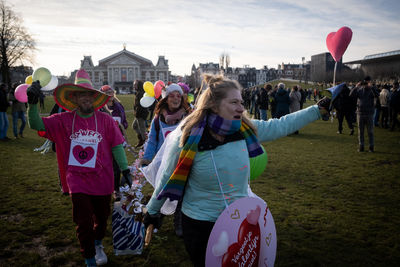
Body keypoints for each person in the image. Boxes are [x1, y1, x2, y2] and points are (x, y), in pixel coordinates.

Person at [143, 74, 331, 266]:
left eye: (241, 102)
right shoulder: (188, 136)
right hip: (200, 226)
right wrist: (152, 211)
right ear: (214, 105)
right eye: (234, 102)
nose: (241, 108)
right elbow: (167, 177)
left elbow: (280, 125)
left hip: (240, 222)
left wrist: (317, 110)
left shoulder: (244, 129)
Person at [26, 69, 132, 267]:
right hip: (77, 179)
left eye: (89, 94)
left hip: (103, 179)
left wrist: (125, 170)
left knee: (101, 219)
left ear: (94, 97)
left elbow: (117, 145)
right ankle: (90, 260)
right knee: (83, 223)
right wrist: (31, 103)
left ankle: (98, 243)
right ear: (73, 98)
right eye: (81, 94)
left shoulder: (106, 120)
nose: (86, 98)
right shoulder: (62, 120)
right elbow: (35, 123)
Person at [141, 83, 190, 237]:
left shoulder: (189, 116)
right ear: (166, 99)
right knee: (161, 190)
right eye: (171, 95)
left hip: (183, 160)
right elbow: (153, 140)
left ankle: (179, 221)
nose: (175, 98)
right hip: (164, 162)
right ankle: (157, 216)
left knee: (182, 192)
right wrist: (147, 158)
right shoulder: (158, 119)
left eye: (178, 95)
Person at [100, 85, 129, 199]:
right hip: (104, 142)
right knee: (105, 166)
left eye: (111, 91)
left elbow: (125, 121)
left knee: (116, 167)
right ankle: (104, 187)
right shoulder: (100, 108)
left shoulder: (119, 106)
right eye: (106, 92)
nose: (109, 94)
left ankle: (116, 190)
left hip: (117, 141)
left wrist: (121, 126)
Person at [349, 76, 379, 152]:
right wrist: (356, 87)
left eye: (367, 82)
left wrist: (372, 87)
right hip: (360, 113)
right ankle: (361, 146)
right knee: (360, 131)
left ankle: (371, 147)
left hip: (369, 113)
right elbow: (351, 95)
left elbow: (377, 95)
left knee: (370, 131)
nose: (366, 84)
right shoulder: (359, 90)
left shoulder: (372, 90)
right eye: (365, 82)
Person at [132, 80, 149, 148]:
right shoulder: (138, 93)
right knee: (134, 126)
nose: (134, 86)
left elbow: (141, 105)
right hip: (138, 114)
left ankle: (146, 143)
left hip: (140, 114)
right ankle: (141, 140)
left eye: (135, 85)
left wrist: (137, 113)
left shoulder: (141, 93)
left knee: (142, 129)